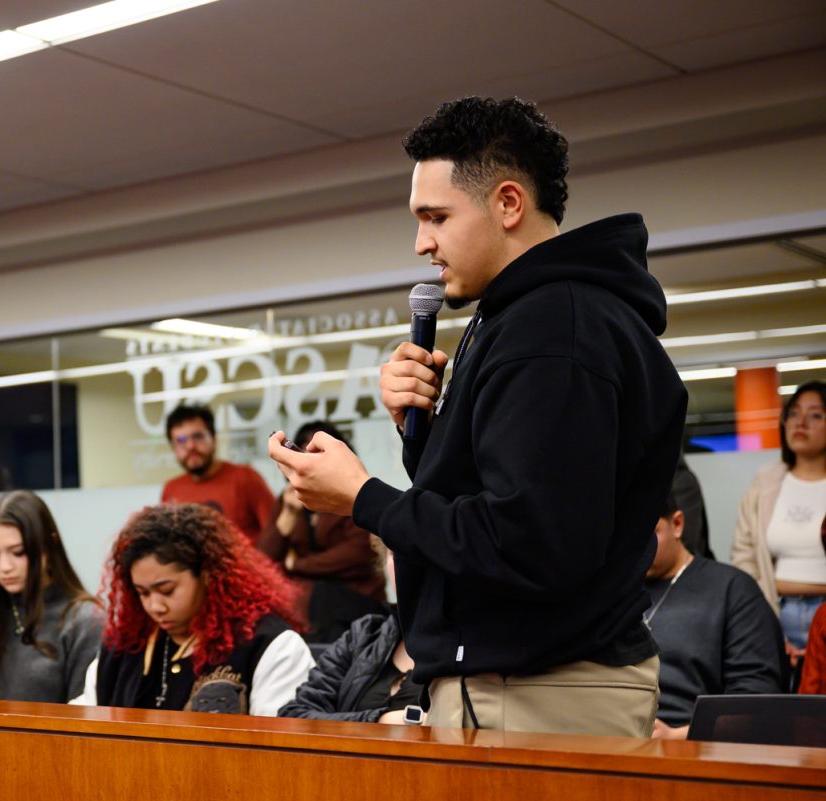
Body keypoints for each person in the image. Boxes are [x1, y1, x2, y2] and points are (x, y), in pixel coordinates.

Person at [269, 96, 687, 737]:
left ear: (509, 204)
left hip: (539, 689)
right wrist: (423, 431)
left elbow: (527, 543)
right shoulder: (523, 317)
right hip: (522, 681)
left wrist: (363, 498)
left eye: (436, 217)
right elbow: (507, 501)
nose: (421, 243)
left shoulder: (553, 328)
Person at [72, 504, 314, 715]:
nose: (155, 606)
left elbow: (281, 748)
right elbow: (86, 719)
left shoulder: (269, 644)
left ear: (208, 575)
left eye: (167, 590)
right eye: (142, 593)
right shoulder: (122, 647)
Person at [645, 493, 784, 739]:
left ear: (677, 524)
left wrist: (680, 736)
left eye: (648, 534)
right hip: (611, 732)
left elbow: (756, 699)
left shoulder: (732, 589)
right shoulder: (611, 593)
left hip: (692, 741)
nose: (635, 548)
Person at [0, 490, 102, 701]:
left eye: (18, 552)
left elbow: (85, 721)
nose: (5, 567)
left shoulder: (84, 620)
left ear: (50, 545)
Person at [256, 421, 386, 643]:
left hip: (358, 603)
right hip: (309, 611)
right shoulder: (288, 499)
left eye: (318, 454)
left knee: (315, 596)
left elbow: (357, 554)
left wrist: (295, 565)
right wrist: (288, 514)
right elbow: (261, 564)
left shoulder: (353, 492)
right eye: (303, 453)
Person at [732, 381, 826, 673]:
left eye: (816, 415)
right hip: (773, 612)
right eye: (793, 413)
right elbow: (743, 555)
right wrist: (762, 621)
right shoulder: (766, 481)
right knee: (785, 714)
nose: (800, 423)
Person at [279, 546, 418, 723]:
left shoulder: (461, 649)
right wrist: (383, 720)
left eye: (419, 552)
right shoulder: (364, 635)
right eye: (394, 553)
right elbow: (294, 717)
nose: (403, 564)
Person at [161, 405, 275, 545]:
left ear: (214, 439)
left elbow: (275, 535)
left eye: (198, 436)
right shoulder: (171, 490)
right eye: (181, 440)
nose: (190, 446)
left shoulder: (245, 477)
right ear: (173, 448)